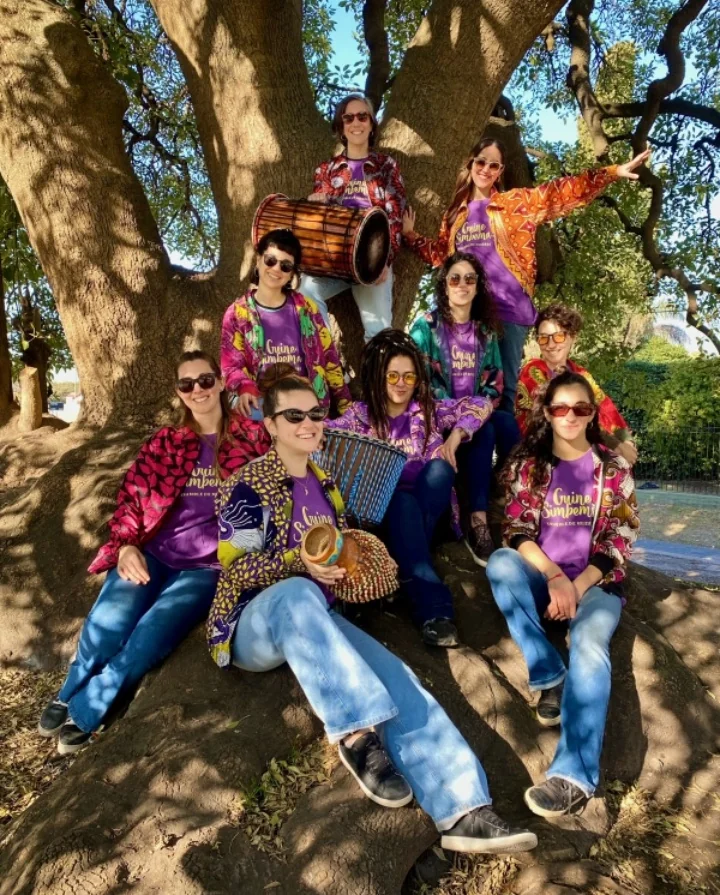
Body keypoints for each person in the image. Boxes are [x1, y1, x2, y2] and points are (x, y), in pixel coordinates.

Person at [206, 366, 538, 855]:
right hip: (254, 622)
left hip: (317, 620)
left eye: (315, 413)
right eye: (294, 416)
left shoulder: (326, 482)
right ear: (271, 425)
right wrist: (299, 564)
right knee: (296, 594)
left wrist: (356, 569)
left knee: (401, 681)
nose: (308, 423)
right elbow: (233, 568)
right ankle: (356, 736)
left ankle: (464, 809)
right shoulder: (248, 484)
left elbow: (334, 557)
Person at [37, 352, 270, 754]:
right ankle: (70, 687)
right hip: (154, 553)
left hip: (208, 567)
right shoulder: (167, 442)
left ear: (219, 383)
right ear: (179, 392)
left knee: (148, 637)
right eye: (186, 384)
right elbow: (132, 496)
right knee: (108, 622)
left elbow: (278, 481)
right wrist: (127, 544)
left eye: (205, 380)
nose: (197, 390)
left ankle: (92, 705)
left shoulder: (252, 438)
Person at [486, 371, 639, 817]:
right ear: (547, 413)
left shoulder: (613, 469)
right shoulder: (529, 466)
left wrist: (576, 586)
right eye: (559, 408)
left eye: (580, 408)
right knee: (500, 564)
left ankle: (573, 777)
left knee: (589, 644)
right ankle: (550, 675)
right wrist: (554, 576)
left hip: (595, 585)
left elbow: (620, 537)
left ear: (592, 414)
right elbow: (516, 531)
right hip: (544, 578)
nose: (569, 416)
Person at [402, 139, 651, 413]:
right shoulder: (454, 215)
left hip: (509, 312)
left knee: (504, 393)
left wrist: (611, 173)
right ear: (471, 163)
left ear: (500, 171)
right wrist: (410, 236)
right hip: (469, 315)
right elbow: (441, 255)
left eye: (493, 165)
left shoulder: (516, 203)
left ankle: (506, 442)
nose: (485, 169)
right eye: (481, 162)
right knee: (463, 390)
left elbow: (560, 193)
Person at [326, 329, 492, 647]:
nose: (401, 383)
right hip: (381, 517)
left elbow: (480, 403)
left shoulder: (427, 411)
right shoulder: (360, 416)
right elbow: (324, 431)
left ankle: (404, 566)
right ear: (379, 377)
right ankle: (434, 611)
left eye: (409, 376)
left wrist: (456, 437)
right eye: (392, 376)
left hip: (430, 513)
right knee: (401, 501)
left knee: (441, 469)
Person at [410, 252, 520, 565]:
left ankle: (505, 495)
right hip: (440, 415)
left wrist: (472, 415)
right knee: (486, 431)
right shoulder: (426, 328)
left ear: (477, 285)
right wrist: (461, 415)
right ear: (444, 285)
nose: (462, 284)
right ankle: (477, 521)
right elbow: (419, 381)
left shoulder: (485, 332)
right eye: (455, 278)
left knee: (507, 425)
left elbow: (494, 384)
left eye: (469, 279)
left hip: (477, 415)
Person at [299, 94, 406, 341]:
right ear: (341, 126)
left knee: (379, 333)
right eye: (348, 118)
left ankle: (379, 366)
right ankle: (326, 357)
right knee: (305, 292)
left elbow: (395, 215)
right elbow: (320, 221)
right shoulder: (326, 170)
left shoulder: (386, 165)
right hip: (335, 258)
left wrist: (385, 259)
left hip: (372, 258)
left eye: (362, 116)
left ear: (371, 124)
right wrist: (317, 202)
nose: (356, 123)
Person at [221, 228, 351, 419]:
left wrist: (346, 409)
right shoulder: (237, 313)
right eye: (270, 260)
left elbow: (329, 357)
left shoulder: (307, 309)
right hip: (261, 407)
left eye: (286, 266)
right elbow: (230, 366)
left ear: (292, 274)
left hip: (307, 407)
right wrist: (244, 387)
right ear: (258, 259)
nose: (276, 269)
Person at [516, 303, 637, 465]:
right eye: (543, 338)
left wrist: (627, 442)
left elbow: (606, 408)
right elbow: (555, 419)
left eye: (558, 336)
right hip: (542, 454)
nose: (550, 345)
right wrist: (613, 444)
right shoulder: (532, 371)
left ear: (573, 337)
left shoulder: (581, 375)